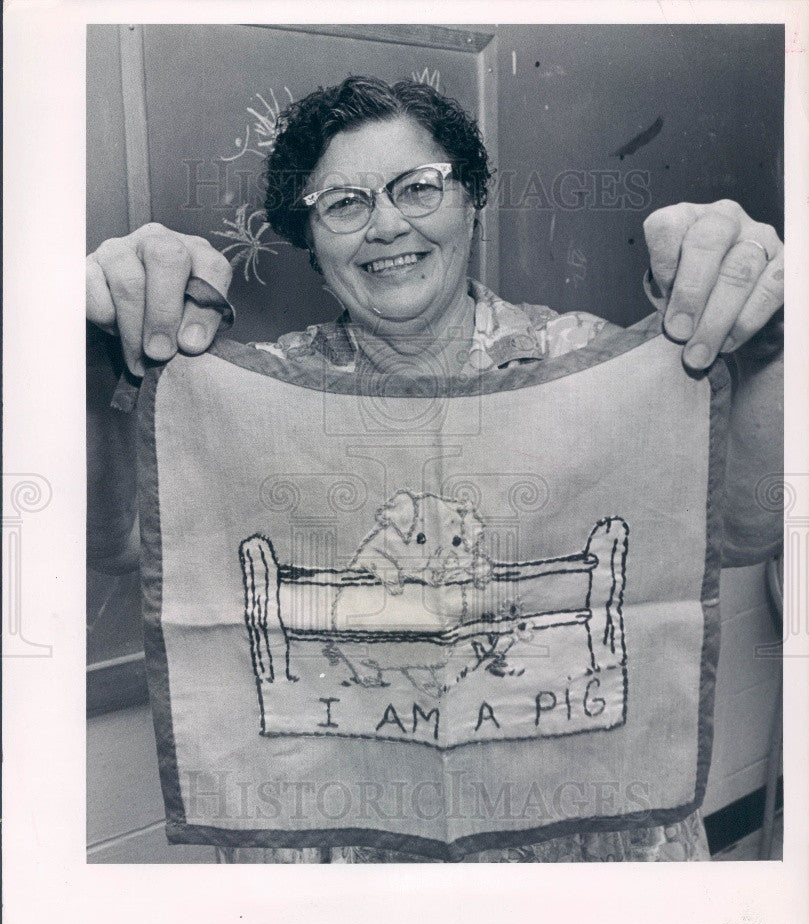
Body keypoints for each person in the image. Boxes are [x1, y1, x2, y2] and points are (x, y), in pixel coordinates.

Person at [86, 76, 783, 862]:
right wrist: (88, 355)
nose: (387, 225)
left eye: (418, 188)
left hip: (583, 861)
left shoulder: (601, 370)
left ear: (470, 204)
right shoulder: (250, 401)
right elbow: (123, 541)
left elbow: (744, 530)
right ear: (311, 243)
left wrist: (768, 344)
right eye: (343, 204)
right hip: (348, 868)